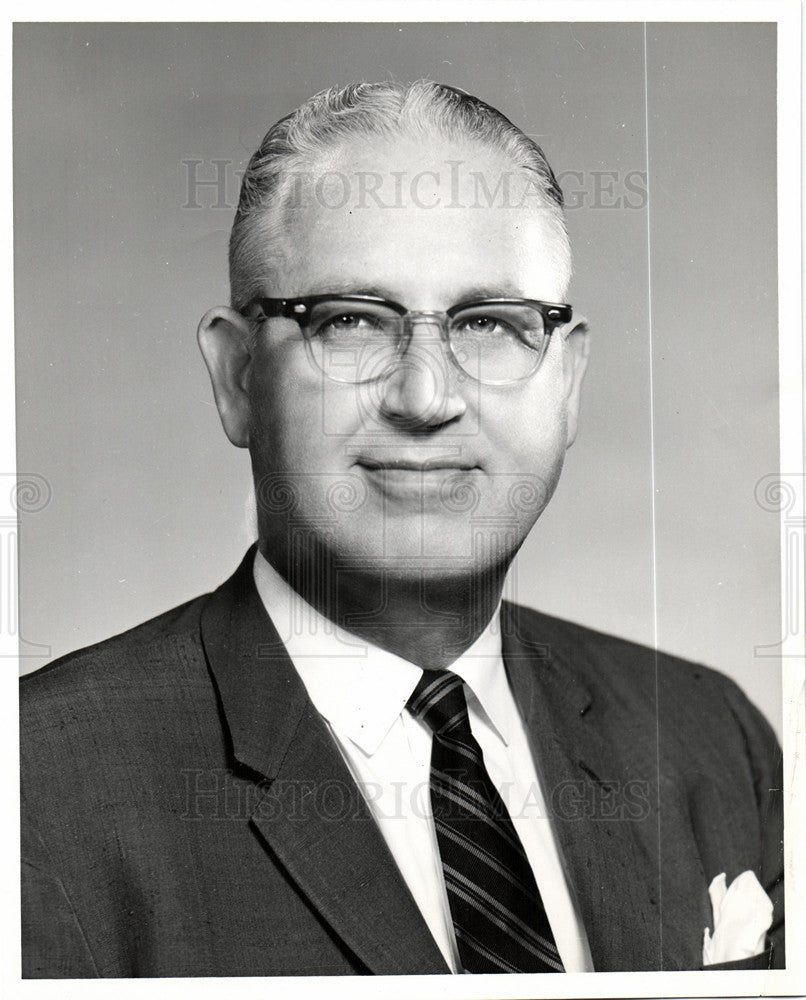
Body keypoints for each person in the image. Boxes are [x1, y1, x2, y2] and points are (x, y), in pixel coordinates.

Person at [20, 80, 783, 978]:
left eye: (492, 323)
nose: (427, 398)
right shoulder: (37, 785)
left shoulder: (705, 733)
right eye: (348, 321)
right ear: (235, 379)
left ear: (568, 383)